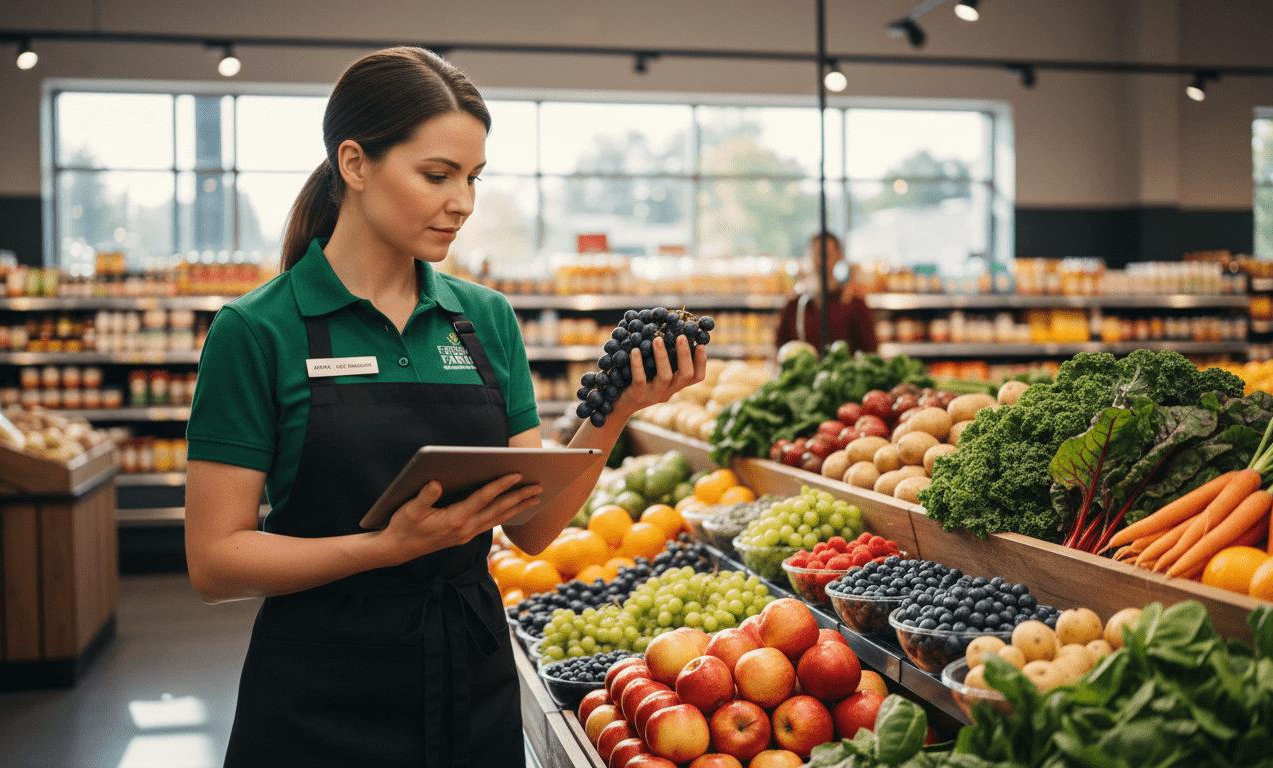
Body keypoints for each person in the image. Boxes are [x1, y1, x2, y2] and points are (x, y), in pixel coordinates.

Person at [183, 47, 705, 768]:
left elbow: (532, 528)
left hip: (471, 677)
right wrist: (384, 548)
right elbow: (214, 561)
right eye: (437, 175)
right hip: (319, 690)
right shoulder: (257, 331)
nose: (461, 201)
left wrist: (616, 413)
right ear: (356, 164)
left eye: (472, 177)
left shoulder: (483, 319)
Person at [775, 232, 878, 355]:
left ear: (839, 257)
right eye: (816, 254)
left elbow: (870, 351)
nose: (821, 261)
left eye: (827, 255)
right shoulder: (794, 305)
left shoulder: (855, 305)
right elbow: (781, 348)